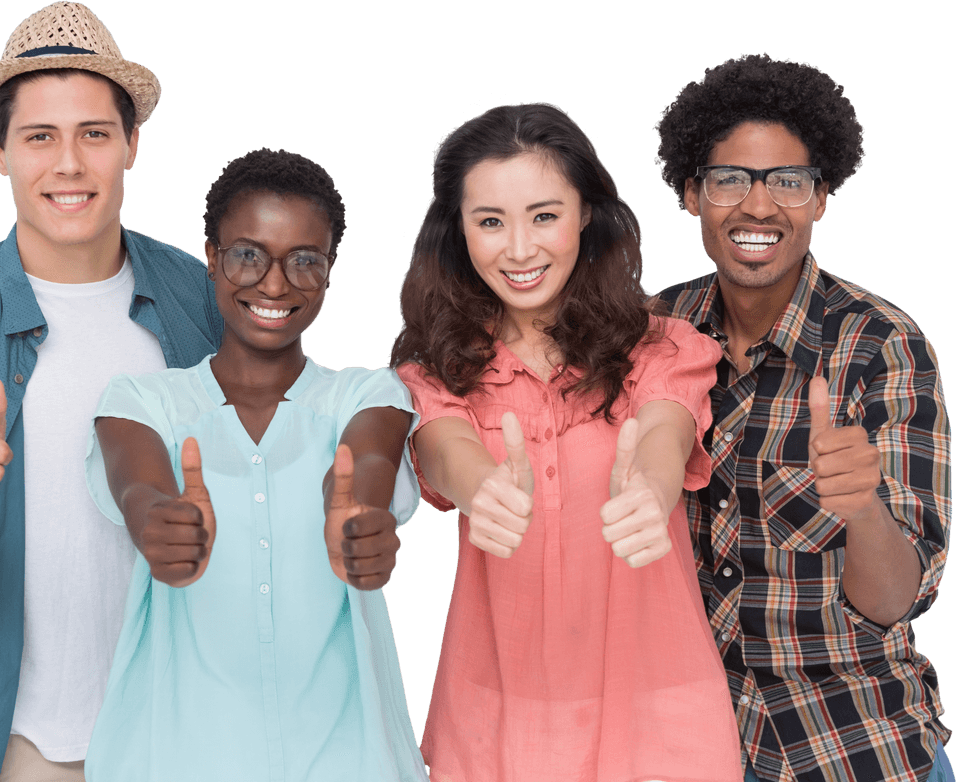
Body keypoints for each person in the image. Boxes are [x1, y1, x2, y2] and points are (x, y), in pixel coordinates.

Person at [0, 3, 222, 779]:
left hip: (187, 735)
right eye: (40, 137)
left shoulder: (207, 304)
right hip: (17, 751)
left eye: (94, 133)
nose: (69, 164)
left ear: (132, 144)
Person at [388, 102, 741, 781]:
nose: (520, 250)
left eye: (544, 215)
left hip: (662, 723)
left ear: (587, 215)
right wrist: (480, 487)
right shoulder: (432, 371)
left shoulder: (665, 348)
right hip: (494, 727)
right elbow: (442, 441)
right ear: (457, 233)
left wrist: (651, 487)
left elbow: (666, 427)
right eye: (490, 222)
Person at [83, 147, 427, 781]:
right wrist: (160, 522)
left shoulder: (366, 393)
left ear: (330, 273)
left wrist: (359, 519)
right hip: (180, 760)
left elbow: (367, 462)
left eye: (305, 261)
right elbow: (139, 486)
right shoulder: (141, 402)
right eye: (248, 255)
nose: (274, 284)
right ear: (211, 259)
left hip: (344, 758)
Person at [654, 53, 953, 782]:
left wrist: (864, 511)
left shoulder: (885, 345)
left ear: (821, 199)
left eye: (788, 181)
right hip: (689, 742)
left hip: (852, 742)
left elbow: (896, 601)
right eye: (731, 179)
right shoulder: (656, 332)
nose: (759, 207)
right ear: (692, 194)